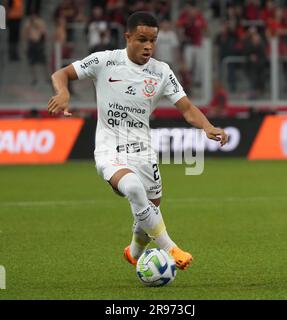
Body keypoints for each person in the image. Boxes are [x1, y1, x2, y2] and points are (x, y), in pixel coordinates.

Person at [47, 11, 228, 271]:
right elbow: (60, 74)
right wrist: (63, 92)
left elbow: (187, 109)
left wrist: (208, 127)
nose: (148, 46)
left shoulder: (161, 72)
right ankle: (170, 247)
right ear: (128, 37)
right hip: (110, 149)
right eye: (142, 39)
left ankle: (134, 252)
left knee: (149, 209)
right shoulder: (105, 61)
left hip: (143, 151)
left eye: (152, 40)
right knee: (133, 189)